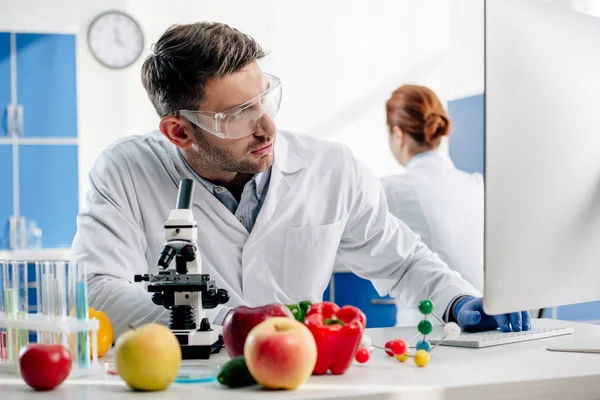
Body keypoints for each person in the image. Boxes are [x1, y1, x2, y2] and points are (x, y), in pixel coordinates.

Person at [71, 22, 530, 339]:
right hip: (187, 383)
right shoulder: (125, 171)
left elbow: (402, 263)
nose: (266, 127)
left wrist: (459, 301)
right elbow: (96, 290)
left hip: (300, 383)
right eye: (236, 115)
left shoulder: (331, 168)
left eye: (264, 100)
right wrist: (230, 318)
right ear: (179, 131)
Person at [382, 85, 484, 327]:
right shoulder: (475, 183)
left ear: (398, 134)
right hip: (480, 321)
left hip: (423, 330)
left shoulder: (390, 188)